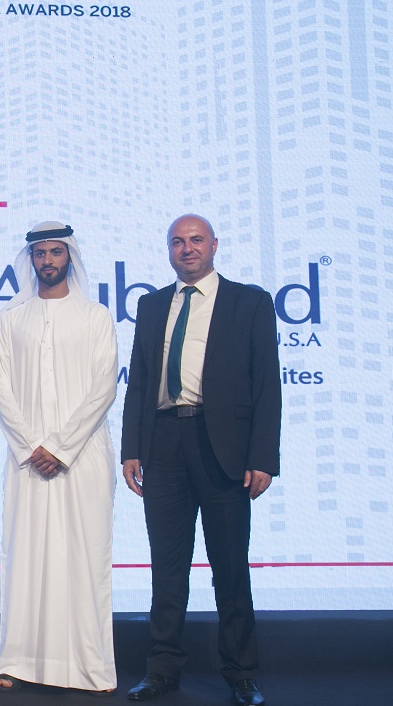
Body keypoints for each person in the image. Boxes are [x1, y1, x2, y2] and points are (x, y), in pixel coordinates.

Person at [120, 215, 280, 706]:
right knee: (167, 568)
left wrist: (263, 457)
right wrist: (131, 448)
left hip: (224, 447)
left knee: (229, 566)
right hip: (164, 442)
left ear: (214, 245)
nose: (186, 249)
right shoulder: (151, 305)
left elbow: (266, 383)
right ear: (169, 250)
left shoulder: (250, 301)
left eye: (195, 240)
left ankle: (241, 673)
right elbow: (140, 381)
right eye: (177, 242)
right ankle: (162, 671)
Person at [0, 222, 118, 692]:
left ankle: (91, 667)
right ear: (31, 260)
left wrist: (61, 447)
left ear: (69, 257)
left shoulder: (95, 316)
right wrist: (31, 446)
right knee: (24, 557)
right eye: (40, 253)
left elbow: (103, 387)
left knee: (85, 557)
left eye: (55, 252)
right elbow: (0, 388)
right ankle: (17, 662)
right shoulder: (12, 319)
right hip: (27, 459)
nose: (48, 261)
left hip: (82, 457)